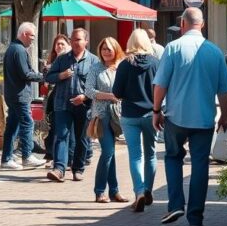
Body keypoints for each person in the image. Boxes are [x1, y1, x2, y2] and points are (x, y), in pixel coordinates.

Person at [153, 7, 227, 226]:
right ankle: (196, 218)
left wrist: (156, 110)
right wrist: (224, 116)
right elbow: (225, 90)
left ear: (182, 24)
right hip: (204, 118)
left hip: (176, 117)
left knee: (173, 157)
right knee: (200, 165)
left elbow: (160, 84)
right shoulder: (215, 51)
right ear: (203, 25)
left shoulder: (173, 48)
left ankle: (176, 204)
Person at [113, 28, 160, 212]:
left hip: (130, 115)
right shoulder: (156, 63)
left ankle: (139, 192)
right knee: (151, 153)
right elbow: (161, 87)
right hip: (151, 114)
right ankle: (148, 189)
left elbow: (117, 92)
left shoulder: (125, 65)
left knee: (135, 156)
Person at [46, 27, 99, 182]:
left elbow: (97, 84)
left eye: (78, 39)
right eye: (73, 39)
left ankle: (78, 169)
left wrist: (84, 97)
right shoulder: (62, 59)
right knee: (61, 135)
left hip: (84, 106)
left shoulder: (93, 61)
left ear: (86, 42)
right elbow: (48, 77)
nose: (75, 42)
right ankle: (59, 169)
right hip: (62, 104)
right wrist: (61, 75)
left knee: (82, 138)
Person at [0, 22, 46, 170]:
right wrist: (43, 77)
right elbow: (25, 73)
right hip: (19, 95)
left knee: (12, 126)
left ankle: (7, 158)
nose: (33, 40)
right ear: (24, 34)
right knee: (27, 123)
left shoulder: (13, 48)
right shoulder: (18, 50)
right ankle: (27, 155)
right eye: (32, 36)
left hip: (13, 93)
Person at [86, 37, 126, 203]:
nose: (106, 52)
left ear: (116, 49)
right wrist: (109, 96)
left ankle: (114, 191)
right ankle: (99, 191)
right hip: (101, 115)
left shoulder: (121, 67)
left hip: (118, 116)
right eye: (103, 49)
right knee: (108, 152)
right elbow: (88, 90)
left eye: (109, 49)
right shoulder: (95, 68)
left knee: (112, 154)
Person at [43, 34, 71, 165]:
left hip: (66, 99)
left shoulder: (69, 60)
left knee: (64, 130)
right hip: (51, 98)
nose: (59, 46)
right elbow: (46, 79)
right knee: (52, 127)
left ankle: (68, 158)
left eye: (62, 44)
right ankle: (52, 154)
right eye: (57, 44)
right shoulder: (51, 60)